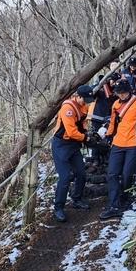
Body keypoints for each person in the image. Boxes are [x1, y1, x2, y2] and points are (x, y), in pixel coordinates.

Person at [101, 80, 136, 219]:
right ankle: (113, 204)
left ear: (129, 91)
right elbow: (113, 122)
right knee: (112, 174)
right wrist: (108, 135)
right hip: (118, 143)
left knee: (127, 174)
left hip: (133, 144)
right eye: (119, 93)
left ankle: (124, 198)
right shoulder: (116, 104)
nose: (122, 96)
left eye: (124, 93)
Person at [51, 85, 97, 222]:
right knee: (65, 177)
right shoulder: (67, 108)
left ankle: (77, 199)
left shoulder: (84, 106)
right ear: (78, 97)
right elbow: (71, 131)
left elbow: (83, 122)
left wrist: (86, 133)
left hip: (74, 145)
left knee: (81, 173)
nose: (87, 102)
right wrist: (86, 138)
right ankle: (58, 208)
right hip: (61, 145)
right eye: (85, 99)